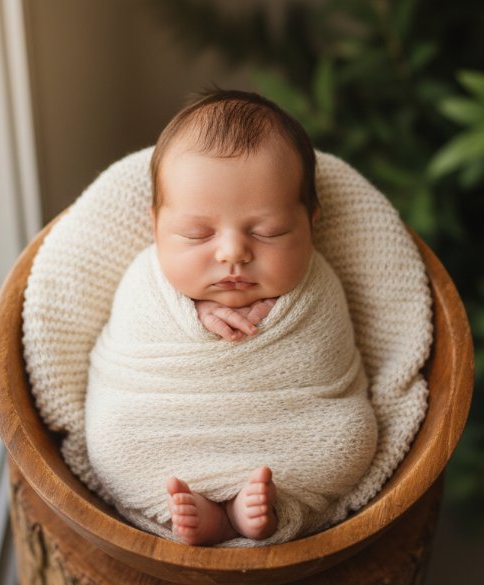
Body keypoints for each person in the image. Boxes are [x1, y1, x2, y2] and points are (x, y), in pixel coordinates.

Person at [85, 89, 377, 546]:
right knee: (113, 436)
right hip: (161, 422)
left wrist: (284, 314)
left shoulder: (319, 282)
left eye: (269, 232)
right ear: (156, 226)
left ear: (310, 224)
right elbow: (131, 338)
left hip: (291, 431)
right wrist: (189, 316)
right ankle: (200, 510)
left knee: (348, 439)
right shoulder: (146, 279)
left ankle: (260, 510)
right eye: (197, 234)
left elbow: (327, 354)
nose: (233, 253)